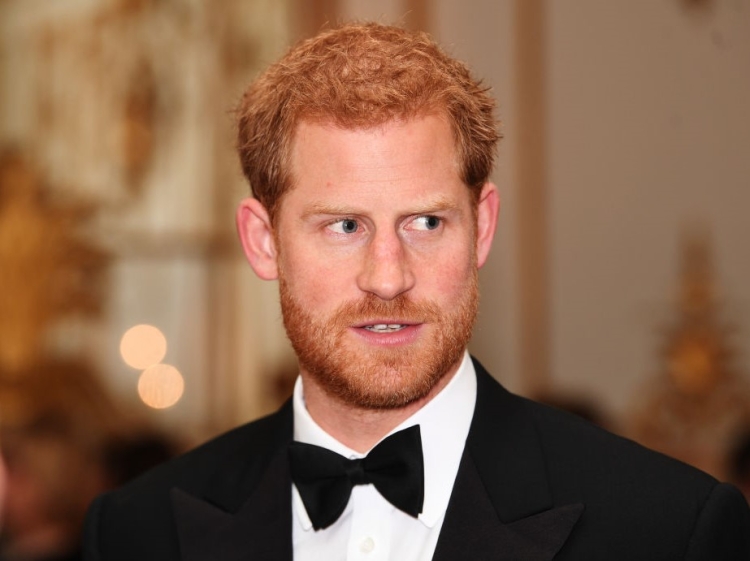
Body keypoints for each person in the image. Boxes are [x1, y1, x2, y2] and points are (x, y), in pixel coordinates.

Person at [82, 22, 750, 560]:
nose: (388, 276)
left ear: (482, 228)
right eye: (344, 226)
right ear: (263, 242)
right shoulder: (137, 533)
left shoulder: (667, 529)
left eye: (426, 223)